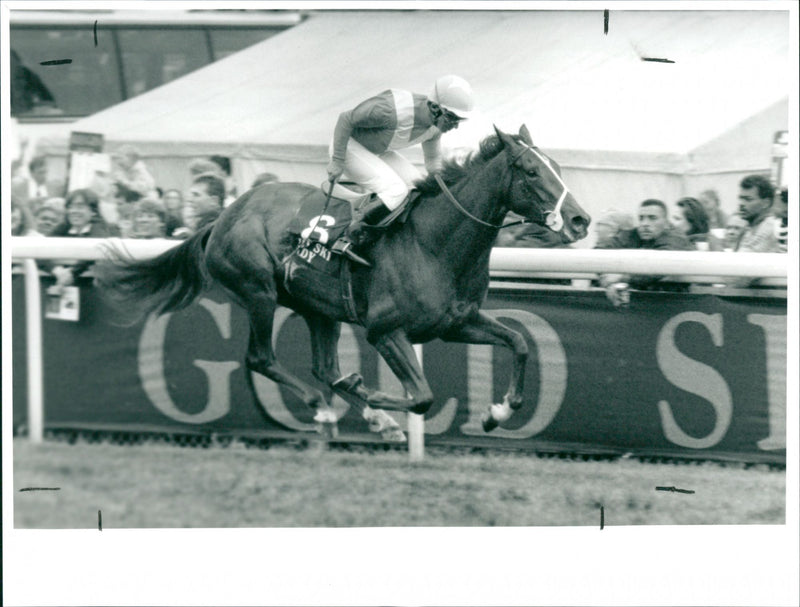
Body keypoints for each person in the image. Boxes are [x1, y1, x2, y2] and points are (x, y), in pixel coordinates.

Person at [326, 74, 475, 265]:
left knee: (418, 186)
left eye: (458, 121)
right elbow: (345, 118)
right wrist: (337, 160)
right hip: (348, 146)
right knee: (395, 190)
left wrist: (445, 190)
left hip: (379, 150)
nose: (454, 127)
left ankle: (393, 239)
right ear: (435, 108)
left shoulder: (434, 128)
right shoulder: (388, 110)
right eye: (452, 118)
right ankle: (348, 237)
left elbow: (432, 161)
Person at [595, 198, 694, 306]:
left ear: (666, 222)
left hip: (677, 304)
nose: (645, 223)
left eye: (652, 218)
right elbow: (599, 252)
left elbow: (660, 266)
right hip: (649, 304)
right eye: (641, 218)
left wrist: (621, 277)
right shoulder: (634, 234)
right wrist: (610, 281)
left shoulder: (675, 237)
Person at [48, 189, 118, 293]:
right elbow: (38, 250)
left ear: (93, 211)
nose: (73, 211)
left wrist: (72, 273)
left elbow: (96, 248)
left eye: (80, 207)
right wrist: (56, 270)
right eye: (70, 207)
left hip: (94, 291)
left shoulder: (100, 229)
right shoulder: (63, 228)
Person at [734, 175, 781, 253]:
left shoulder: (770, 229)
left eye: (748, 199)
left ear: (766, 203)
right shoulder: (748, 228)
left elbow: (744, 260)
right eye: (740, 198)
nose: (741, 204)